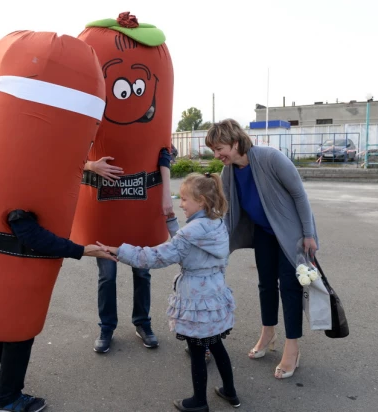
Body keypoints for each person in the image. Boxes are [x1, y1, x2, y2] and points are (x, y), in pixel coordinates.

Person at [98, 173, 240, 412]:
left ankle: (199, 402)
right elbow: (189, 245)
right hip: (215, 296)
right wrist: (173, 224)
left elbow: (156, 256)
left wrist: (118, 250)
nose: (181, 203)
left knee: (197, 352)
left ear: (202, 200)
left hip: (196, 298)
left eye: (184, 199)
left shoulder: (192, 231)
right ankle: (231, 392)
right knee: (215, 345)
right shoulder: (216, 223)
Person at [0, 209, 116, 412]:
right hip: (17, 263)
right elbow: (30, 233)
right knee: (19, 328)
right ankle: (7, 399)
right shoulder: (24, 185)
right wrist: (81, 250)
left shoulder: (6, 179)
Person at [205, 119, 319, 380]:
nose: (217, 155)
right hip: (264, 234)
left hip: (291, 236)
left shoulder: (270, 158)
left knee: (290, 287)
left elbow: (300, 195)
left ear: (235, 143)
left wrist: (309, 235)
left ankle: (292, 348)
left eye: (219, 148)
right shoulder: (229, 172)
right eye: (213, 150)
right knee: (266, 284)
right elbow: (229, 211)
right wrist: (217, 240)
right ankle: (268, 332)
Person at [83, 149, 172, 353]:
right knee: (107, 276)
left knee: (142, 271)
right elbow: (71, 155)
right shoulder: (97, 123)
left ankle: (142, 322)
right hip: (106, 213)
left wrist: (165, 193)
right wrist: (91, 165)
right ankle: (106, 327)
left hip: (138, 212)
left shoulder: (151, 120)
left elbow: (163, 153)